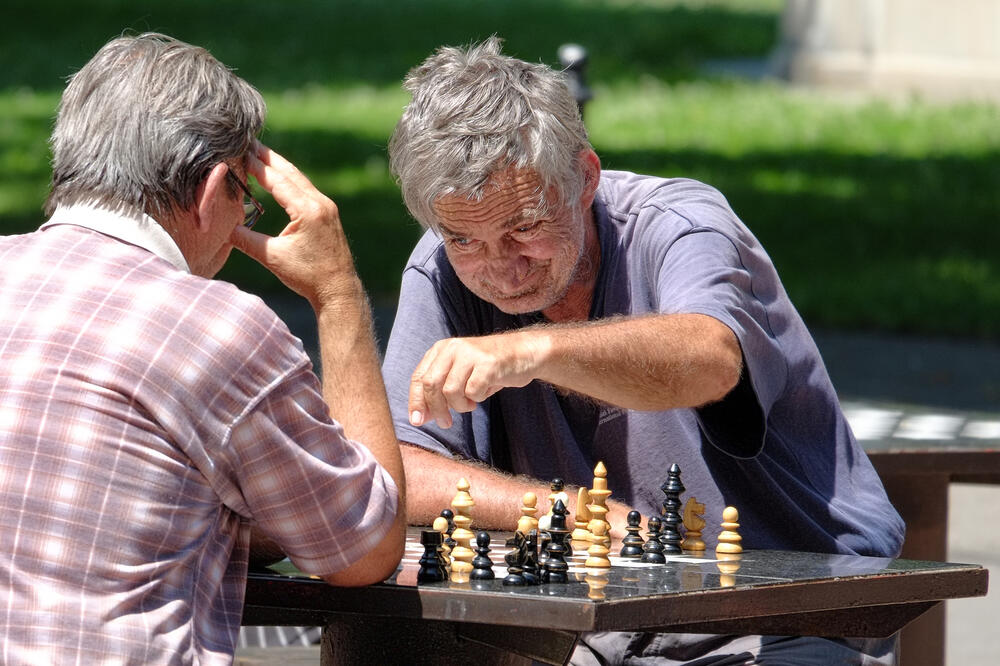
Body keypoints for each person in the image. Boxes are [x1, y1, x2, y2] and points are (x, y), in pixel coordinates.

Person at [382, 37, 904, 664]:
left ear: (585, 179)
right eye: (465, 239)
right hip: (594, 623)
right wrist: (572, 511)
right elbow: (399, 469)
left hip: (790, 612)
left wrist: (534, 349)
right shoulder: (442, 265)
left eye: (523, 228)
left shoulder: (680, 224)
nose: (499, 268)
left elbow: (709, 358)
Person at [0, 33, 406, 664]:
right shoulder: (217, 329)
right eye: (246, 197)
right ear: (214, 187)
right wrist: (337, 293)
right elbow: (367, 545)